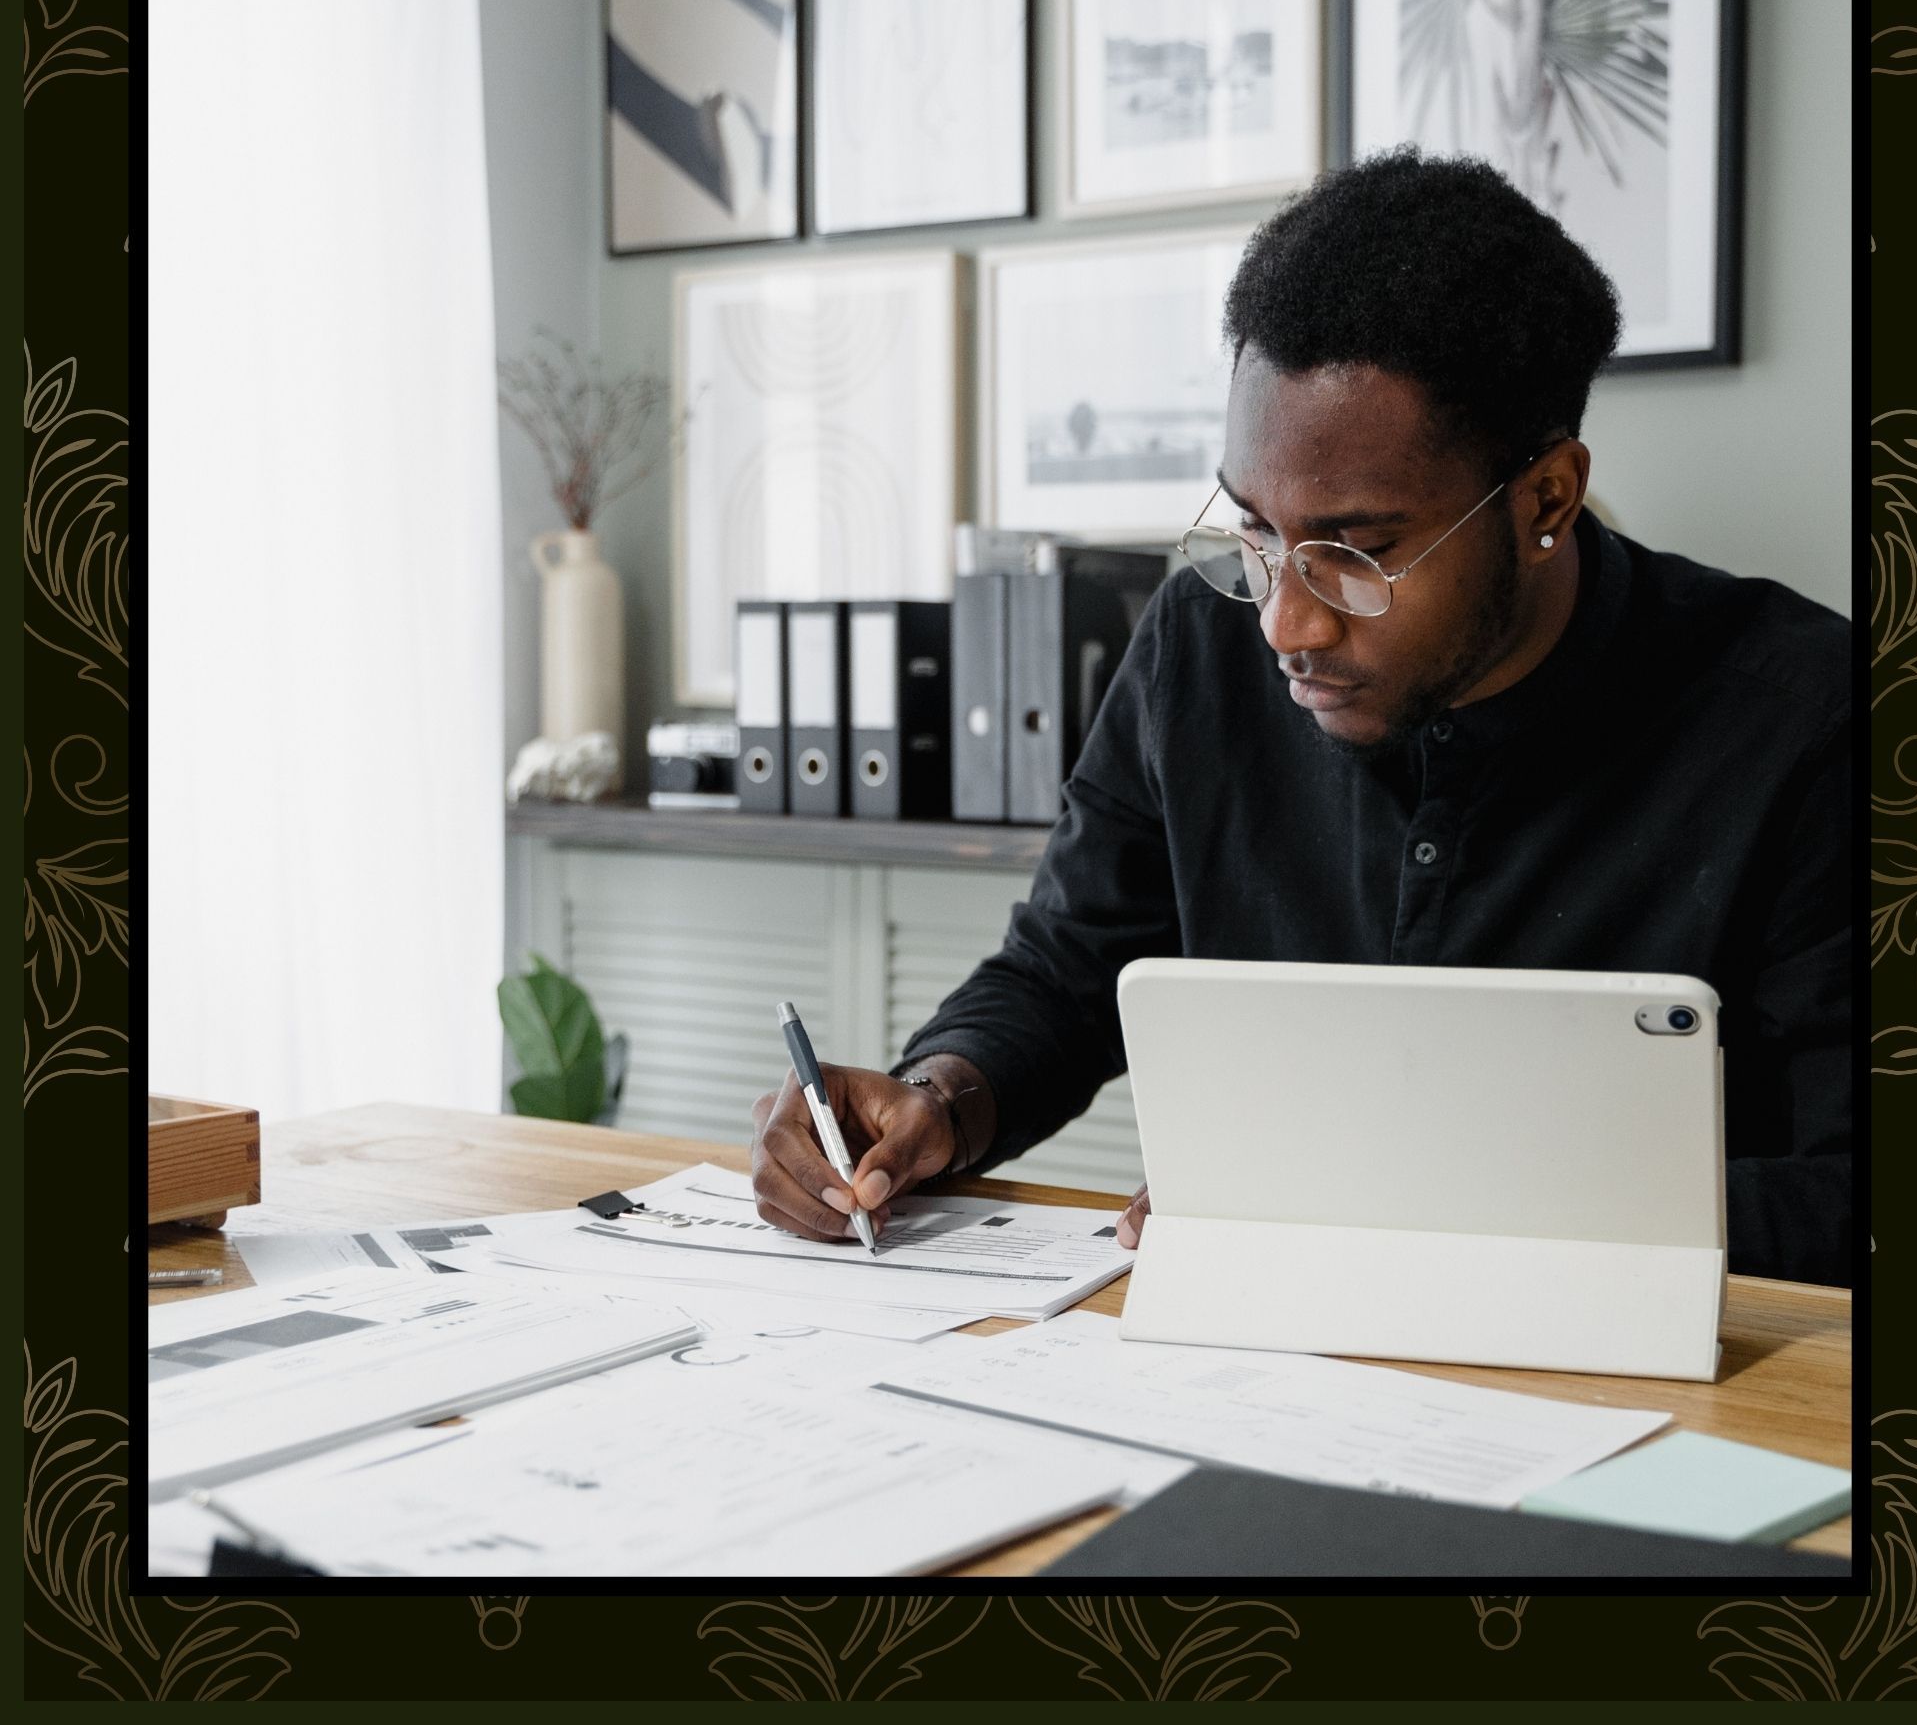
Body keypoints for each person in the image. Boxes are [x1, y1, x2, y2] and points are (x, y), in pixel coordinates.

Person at [748, 148, 1855, 1287]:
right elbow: (1062, 969)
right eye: (1255, 532)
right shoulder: (1195, 644)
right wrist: (940, 1095)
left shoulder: (1804, 719)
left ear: (1545, 499)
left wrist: (1374, 1196)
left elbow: (1850, 1192)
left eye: (1355, 552)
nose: (1284, 623)